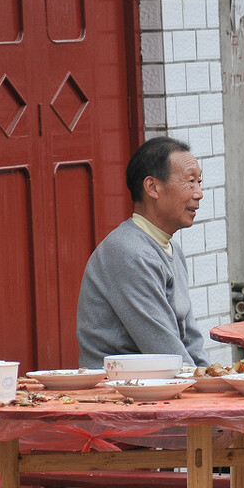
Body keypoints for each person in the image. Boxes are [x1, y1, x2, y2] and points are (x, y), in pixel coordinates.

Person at [77, 136, 209, 368]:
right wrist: (205, 392)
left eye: (200, 182)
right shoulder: (127, 252)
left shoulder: (172, 250)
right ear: (153, 187)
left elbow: (191, 339)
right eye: (190, 181)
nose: (199, 193)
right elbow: (165, 351)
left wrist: (212, 380)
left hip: (163, 385)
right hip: (119, 393)